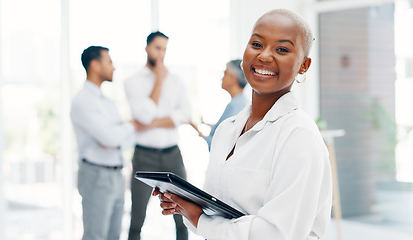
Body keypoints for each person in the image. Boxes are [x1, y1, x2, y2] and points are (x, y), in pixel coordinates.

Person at [153, 9, 333, 240]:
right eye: (257, 44)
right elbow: (214, 211)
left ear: (304, 65)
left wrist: (200, 220)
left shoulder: (299, 136)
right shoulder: (227, 129)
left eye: (282, 49)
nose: (265, 56)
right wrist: (185, 205)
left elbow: (276, 234)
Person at [124, 31, 191, 240]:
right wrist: (159, 81)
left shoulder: (177, 80)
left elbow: (186, 114)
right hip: (144, 157)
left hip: (173, 155)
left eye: (164, 49)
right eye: (157, 48)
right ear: (147, 48)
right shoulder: (132, 81)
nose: (161, 53)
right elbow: (143, 115)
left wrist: (151, 124)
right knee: (137, 219)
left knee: (183, 216)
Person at [70, 46, 136, 240]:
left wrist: (119, 132)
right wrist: (129, 126)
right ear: (95, 65)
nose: (113, 68)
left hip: (116, 175)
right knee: (95, 236)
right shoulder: (83, 101)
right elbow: (110, 138)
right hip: (96, 175)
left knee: (113, 236)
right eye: (109, 62)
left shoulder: (107, 103)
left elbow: (123, 140)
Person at [201, 59, 248, 151]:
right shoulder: (241, 102)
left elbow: (223, 141)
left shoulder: (235, 105)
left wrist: (198, 131)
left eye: (225, 73)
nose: (222, 78)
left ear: (233, 78)